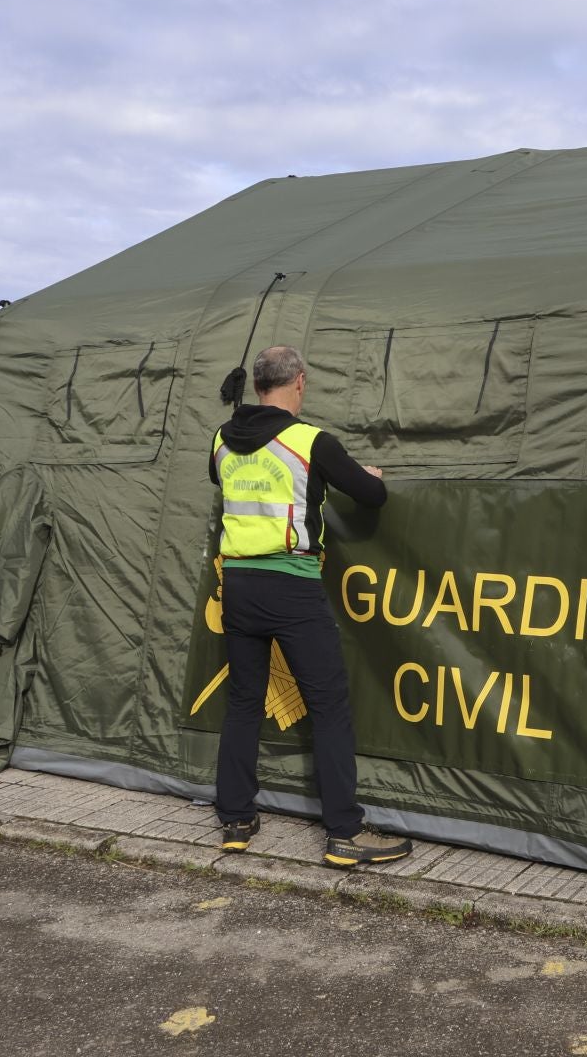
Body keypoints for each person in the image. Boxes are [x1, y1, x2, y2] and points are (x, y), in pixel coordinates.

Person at [210, 345, 412, 866]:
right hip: (292, 585)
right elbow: (372, 496)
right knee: (328, 706)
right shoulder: (310, 441)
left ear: (257, 386)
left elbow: (230, 482)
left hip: (237, 583)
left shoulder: (220, 441)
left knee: (243, 701)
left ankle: (235, 818)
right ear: (299, 382)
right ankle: (344, 832)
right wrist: (369, 474)